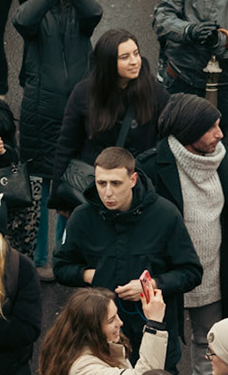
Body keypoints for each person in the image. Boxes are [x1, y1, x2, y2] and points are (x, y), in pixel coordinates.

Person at [135, 97, 228, 375]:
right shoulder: (151, 165)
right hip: (168, 272)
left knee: (208, 336)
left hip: (213, 267)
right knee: (163, 337)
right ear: (188, 131)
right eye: (211, 128)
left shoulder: (222, 156)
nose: (220, 134)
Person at [54, 147, 202, 353]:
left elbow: (191, 272)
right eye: (101, 183)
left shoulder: (165, 215)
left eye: (116, 183)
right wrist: (91, 275)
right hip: (101, 334)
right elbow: (61, 268)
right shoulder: (81, 218)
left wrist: (151, 285)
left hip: (153, 329)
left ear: (132, 180)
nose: (107, 192)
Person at [14, 0, 101, 260]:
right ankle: (39, 258)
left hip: (78, 112)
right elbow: (22, 20)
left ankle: (66, 252)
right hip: (41, 111)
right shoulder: (37, 10)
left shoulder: (83, 13)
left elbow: (94, 10)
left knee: (73, 185)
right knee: (40, 191)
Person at [49, 30, 168, 227]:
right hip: (95, 189)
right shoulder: (84, 93)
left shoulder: (152, 90)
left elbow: (172, 123)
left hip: (137, 190)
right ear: (108, 62)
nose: (134, 61)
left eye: (136, 53)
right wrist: (58, 197)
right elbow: (66, 145)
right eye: (125, 57)